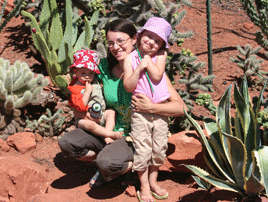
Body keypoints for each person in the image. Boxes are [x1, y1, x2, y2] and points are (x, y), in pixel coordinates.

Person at [58, 19, 186, 196]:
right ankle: (109, 165)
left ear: (135, 39)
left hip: (134, 137)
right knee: (67, 142)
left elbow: (180, 108)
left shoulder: (150, 68)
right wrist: (82, 109)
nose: (115, 47)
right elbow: (81, 88)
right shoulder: (102, 68)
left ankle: (120, 166)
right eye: (110, 43)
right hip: (107, 130)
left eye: (120, 41)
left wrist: (150, 108)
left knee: (108, 161)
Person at [123, 17, 172, 201]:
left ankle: (153, 182)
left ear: (161, 46)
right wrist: (138, 69)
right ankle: (143, 186)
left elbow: (158, 75)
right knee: (143, 149)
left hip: (159, 111)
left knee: (159, 148)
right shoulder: (130, 59)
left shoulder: (160, 56)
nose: (151, 42)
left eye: (157, 41)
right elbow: (129, 86)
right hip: (140, 112)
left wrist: (147, 61)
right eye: (149, 36)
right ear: (140, 35)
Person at [68, 49, 123, 140]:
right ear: (75, 71)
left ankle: (106, 135)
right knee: (89, 124)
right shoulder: (75, 88)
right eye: (83, 73)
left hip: (100, 113)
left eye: (91, 73)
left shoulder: (94, 80)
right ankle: (110, 134)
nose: (87, 76)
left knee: (111, 113)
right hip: (86, 117)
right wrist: (87, 92)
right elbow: (80, 107)